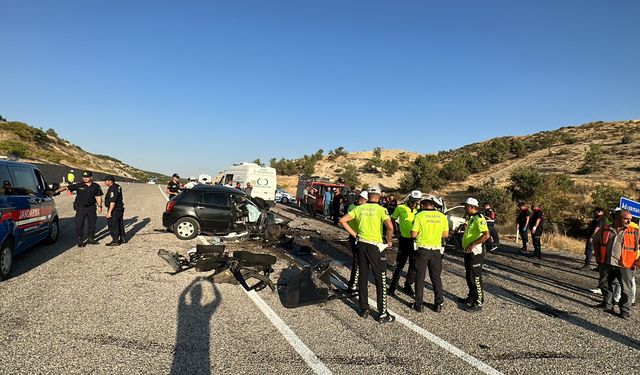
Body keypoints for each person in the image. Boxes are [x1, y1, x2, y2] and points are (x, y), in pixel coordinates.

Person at [340, 187, 395, 323]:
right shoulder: (381, 210)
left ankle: (364, 308)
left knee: (363, 277)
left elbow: (342, 220)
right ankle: (382, 313)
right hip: (375, 246)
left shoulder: (360, 208)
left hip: (361, 245)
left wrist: (354, 235)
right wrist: (389, 241)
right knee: (380, 278)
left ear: (369, 196)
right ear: (379, 197)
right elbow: (390, 227)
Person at [592, 209, 639, 319]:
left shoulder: (635, 231)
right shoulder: (605, 229)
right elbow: (596, 241)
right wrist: (598, 257)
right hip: (606, 263)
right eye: (625, 218)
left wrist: (637, 262)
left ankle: (625, 311)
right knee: (604, 284)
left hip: (625, 265)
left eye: (630, 219)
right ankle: (607, 304)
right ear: (616, 218)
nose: (628, 221)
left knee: (626, 289)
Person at [410, 196, 449, 312]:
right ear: (433, 205)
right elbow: (445, 234)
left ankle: (419, 304)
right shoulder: (442, 217)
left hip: (422, 249)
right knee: (436, 277)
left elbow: (413, 234)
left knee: (420, 277)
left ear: (423, 205)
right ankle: (438, 303)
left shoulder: (419, 216)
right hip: (436, 249)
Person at [458, 197, 490, 312]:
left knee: (476, 278)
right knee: (469, 276)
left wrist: (472, 244)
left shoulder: (479, 218)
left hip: (476, 252)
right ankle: (471, 297)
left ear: (472, 207)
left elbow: (486, 235)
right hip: (468, 251)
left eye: (466, 206)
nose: (464, 208)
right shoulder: (471, 218)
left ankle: (479, 302)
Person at [56, 171, 103, 247]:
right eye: (84, 177)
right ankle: (80, 240)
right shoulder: (79, 185)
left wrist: (100, 206)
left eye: (87, 177)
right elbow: (66, 188)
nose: (85, 178)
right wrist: (55, 191)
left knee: (92, 224)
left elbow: (98, 196)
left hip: (91, 207)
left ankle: (91, 238)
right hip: (80, 208)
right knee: (79, 224)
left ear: (91, 177)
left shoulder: (96, 186)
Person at [388, 190, 421, 297]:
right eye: (413, 201)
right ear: (409, 199)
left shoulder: (420, 209)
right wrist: (395, 230)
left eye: (416, 201)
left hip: (415, 241)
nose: (414, 203)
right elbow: (392, 219)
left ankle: (408, 285)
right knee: (399, 264)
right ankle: (392, 286)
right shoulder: (400, 207)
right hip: (404, 240)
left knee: (413, 264)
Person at [345, 191, 368, 291]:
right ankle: (353, 284)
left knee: (359, 260)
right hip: (357, 236)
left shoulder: (354, 207)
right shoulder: (355, 208)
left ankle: (356, 282)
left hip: (357, 235)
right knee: (358, 260)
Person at [104, 175, 125, 246]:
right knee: (120, 223)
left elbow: (112, 201)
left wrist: (109, 212)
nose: (105, 182)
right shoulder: (117, 186)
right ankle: (123, 238)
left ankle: (115, 240)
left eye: (106, 180)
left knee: (113, 224)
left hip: (114, 209)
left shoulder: (113, 188)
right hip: (119, 208)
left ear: (110, 181)